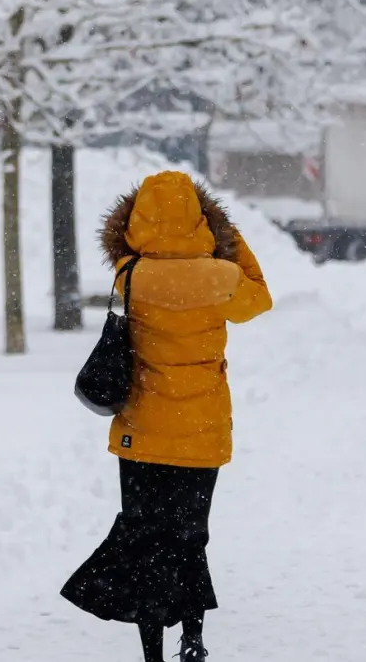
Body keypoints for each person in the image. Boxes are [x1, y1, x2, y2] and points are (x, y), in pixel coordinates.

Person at [62, 171, 272, 662]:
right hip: (201, 432)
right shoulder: (222, 277)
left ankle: (151, 649)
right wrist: (229, 235)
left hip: (143, 428)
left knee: (146, 538)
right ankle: (193, 638)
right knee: (189, 534)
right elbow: (258, 297)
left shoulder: (128, 274)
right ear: (201, 218)